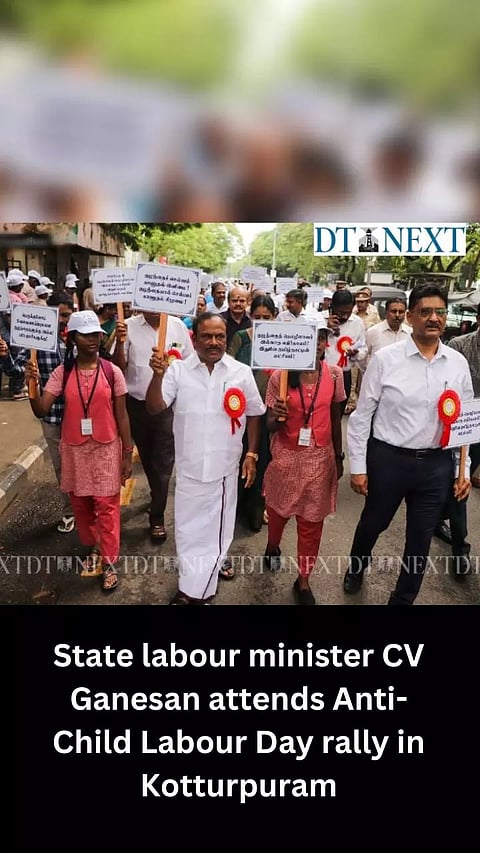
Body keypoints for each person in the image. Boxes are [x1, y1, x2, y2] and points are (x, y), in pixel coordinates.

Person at [344, 284, 473, 605]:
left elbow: (465, 422)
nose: (434, 318)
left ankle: (403, 599)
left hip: (436, 467)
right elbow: (362, 417)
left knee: (420, 540)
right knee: (373, 523)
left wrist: (463, 470)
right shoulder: (386, 360)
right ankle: (356, 567)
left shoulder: (456, 363)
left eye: (440, 312)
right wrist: (358, 468)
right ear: (411, 316)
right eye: (426, 312)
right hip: (389, 460)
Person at [145, 313, 265, 605]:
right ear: (194, 338)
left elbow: (254, 413)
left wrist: (251, 453)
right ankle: (192, 585)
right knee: (187, 534)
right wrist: (157, 375)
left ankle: (196, 594)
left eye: (220, 336)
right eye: (207, 336)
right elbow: (155, 407)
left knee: (216, 536)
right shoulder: (178, 371)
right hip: (188, 470)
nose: (214, 342)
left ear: (226, 338)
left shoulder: (240, 372)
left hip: (224, 471)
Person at [25, 311, 133, 593]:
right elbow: (41, 410)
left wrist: (126, 453)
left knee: (107, 508)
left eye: (96, 334)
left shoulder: (113, 372)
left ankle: (109, 562)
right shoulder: (63, 373)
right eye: (86, 335)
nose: (94, 340)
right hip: (74, 450)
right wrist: (32, 385)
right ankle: (95, 545)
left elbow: (122, 416)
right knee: (82, 509)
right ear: (72, 339)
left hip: (107, 448)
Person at [263, 327, 345, 605]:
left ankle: (304, 579)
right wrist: (278, 416)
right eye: (310, 337)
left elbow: (335, 417)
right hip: (286, 459)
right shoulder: (280, 377)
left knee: (312, 524)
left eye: (321, 337)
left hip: (321, 459)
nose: (317, 343)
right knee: (277, 514)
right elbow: (269, 425)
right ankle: (272, 545)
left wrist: (339, 456)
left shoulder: (334, 374)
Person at [112, 307, 193, 542]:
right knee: (149, 461)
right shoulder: (127, 326)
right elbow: (118, 368)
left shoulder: (177, 327)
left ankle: (157, 516)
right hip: (137, 407)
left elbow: (188, 365)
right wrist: (119, 343)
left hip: (167, 408)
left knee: (164, 466)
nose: (154, 309)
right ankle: (156, 493)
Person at [433, 306, 480, 576]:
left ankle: (439, 518)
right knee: (460, 485)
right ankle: (461, 550)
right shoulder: (459, 347)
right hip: (460, 426)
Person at [25, 291, 76, 533]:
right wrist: (6, 356)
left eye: (69, 314)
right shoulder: (33, 342)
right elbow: (15, 367)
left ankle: (82, 508)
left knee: (80, 464)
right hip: (52, 417)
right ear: (51, 312)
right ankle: (70, 512)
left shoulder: (70, 340)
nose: (66, 319)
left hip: (76, 416)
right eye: (63, 314)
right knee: (62, 467)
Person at [228, 293, 275, 534]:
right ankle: (234, 506)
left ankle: (258, 507)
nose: (261, 321)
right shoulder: (241, 338)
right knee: (239, 457)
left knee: (264, 460)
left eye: (266, 317)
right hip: (239, 411)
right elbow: (227, 368)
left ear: (274, 317)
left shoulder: (282, 341)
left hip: (270, 414)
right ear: (250, 317)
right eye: (257, 317)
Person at [325, 289, 366, 416]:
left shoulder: (357, 323)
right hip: (323, 374)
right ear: (332, 307)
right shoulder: (318, 319)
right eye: (340, 312)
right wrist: (325, 326)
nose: (344, 316)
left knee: (338, 415)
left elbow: (364, 349)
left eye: (347, 313)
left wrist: (356, 353)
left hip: (344, 375)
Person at [364, 296, 411, 362]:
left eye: (401, 312)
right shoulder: (372, 332)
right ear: (386, 312)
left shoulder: (411, 333)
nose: (397, 315)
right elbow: (363, 358)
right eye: (393, 311)